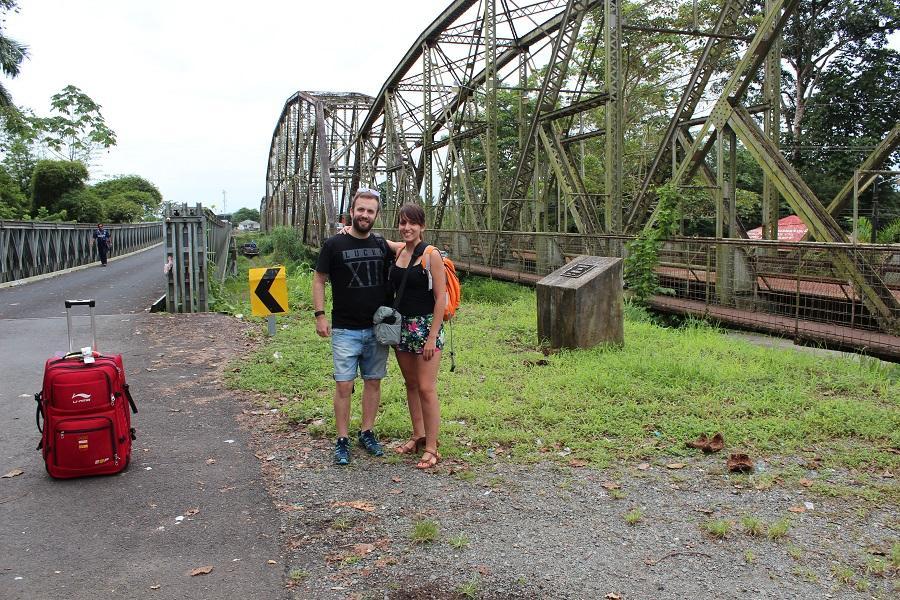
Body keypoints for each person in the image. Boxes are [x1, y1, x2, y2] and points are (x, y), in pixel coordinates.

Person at [312, 188, 393, 465]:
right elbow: (319, 279)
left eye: (370, 211)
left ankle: (367, 432)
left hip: (377, 328)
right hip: (345, 328)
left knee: (373, 381)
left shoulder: (382, 245)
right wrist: (320, 315)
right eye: (361, 210)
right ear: (351, 211)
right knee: (344, 385)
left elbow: (408, 247)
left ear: (376, 215)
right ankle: (342, 439)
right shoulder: (334, 244)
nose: (365, 215)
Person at [387, 204, 447, 469]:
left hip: (424, 329)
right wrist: (345, 229)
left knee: (426, 387)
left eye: (412, 223)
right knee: (410, 384)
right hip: (401, 328)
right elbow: (381, 241)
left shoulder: (431, 255)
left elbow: (441, 298)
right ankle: (417, 435)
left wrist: (432, 337)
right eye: (402, 223)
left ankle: (432, 448)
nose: (407, 228)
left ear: (422, 226)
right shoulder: (400, 250)